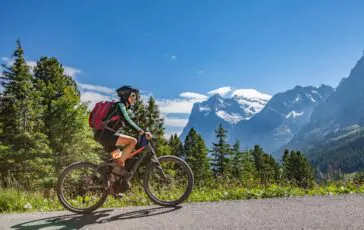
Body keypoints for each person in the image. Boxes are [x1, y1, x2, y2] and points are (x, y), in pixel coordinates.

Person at [93, 85, 152, 196]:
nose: (135, 98)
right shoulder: (120, 105)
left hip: (103, 135)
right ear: (126, 95)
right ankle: (116, 171)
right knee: (132, 141)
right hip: (106, 135)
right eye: (133, 95)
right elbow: (127, 120)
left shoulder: (120, 106)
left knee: (119, 162)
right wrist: (142, 131)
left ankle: (112, 190)